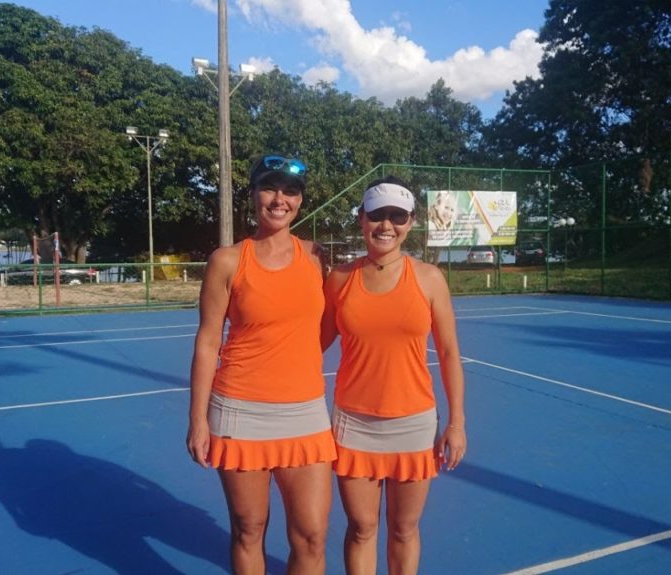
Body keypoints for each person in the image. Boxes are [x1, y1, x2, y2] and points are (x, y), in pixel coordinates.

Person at [187, 154, 337, 575]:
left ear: (300, 201)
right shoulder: (228, 260)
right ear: (252, 195)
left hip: (305, 415)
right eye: (269, 188)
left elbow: (339, 321)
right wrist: (198, 420)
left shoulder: (317, 257)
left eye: (290, 191)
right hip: (239, 413)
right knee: (249, 529)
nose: (279, 199)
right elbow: (207, 341)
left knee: (312, 536)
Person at [321, 177, 467, 575]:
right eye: (377, 215)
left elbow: (451, 352)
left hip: (414, 424)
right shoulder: (339, 279)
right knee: (362, 527)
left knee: (403, 530)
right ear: (361, 219)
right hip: (353, 424)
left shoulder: (429, 279)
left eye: (397, 216)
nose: (386, 225)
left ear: (411, 222)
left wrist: (456, 423)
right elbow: (310, 343)